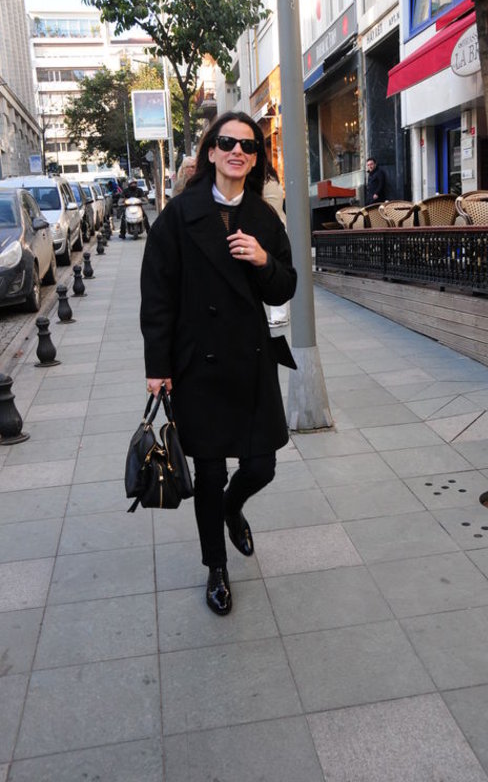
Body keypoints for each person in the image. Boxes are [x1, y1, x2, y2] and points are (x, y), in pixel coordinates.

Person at [140, 111, 297, 616]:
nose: (237, 152)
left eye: (248, 146)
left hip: (251, 362)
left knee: (261, 465)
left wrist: (263, 261)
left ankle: (234, 507)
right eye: (227, 143)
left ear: (255, 159)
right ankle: (217, 568)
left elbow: (286, 286)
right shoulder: (179, 216)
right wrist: (158, 366)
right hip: (198, 366)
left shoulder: (263, 218)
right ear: (211, 152)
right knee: (209, 475)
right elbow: (157, 296)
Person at [263, 161, 290, 327]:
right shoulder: (273, 180)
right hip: (280, 225)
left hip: (271, 228)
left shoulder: (264, 182)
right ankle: (280, 314)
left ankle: (279, 315)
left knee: (273, 272)